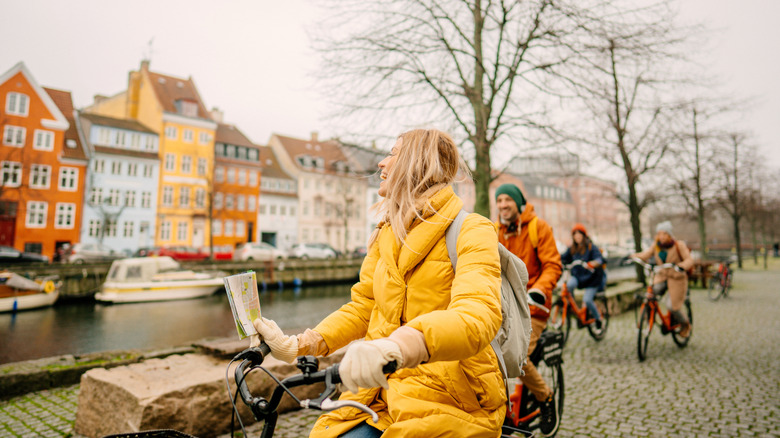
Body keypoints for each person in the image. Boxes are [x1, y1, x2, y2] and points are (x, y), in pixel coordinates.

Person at [252, 129, 505, 437]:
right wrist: (297, 345)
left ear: (418, 163)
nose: (382, 164)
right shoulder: (387, 233)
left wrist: (399, 345)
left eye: (392, 154)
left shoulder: (472, 229)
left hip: (451, 396)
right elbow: (364, 308)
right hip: (379, 391)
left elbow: (478, 316)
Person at [494, 183, 562, 437]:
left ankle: (546, 397)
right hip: (505, 306)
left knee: (519, 357)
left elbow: (553, 265)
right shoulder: (495, 230)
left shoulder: (538, 227)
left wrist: (540, 290)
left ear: (518, 203)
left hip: (534, 307)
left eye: (507, 200)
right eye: (499, 200)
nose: (502, 205)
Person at [632, 221, 694, 337]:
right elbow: (646, 255)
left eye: (664, 234)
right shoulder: (656, 245)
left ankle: (685, 323)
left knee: (672, 306)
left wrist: (681, 266)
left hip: (676, 277)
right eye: (659, 234)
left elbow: (689, 260)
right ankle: (648, 315)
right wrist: (633, 256)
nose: (662, 237)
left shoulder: (678, 245)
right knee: (650, 294)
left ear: (670, 234)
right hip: (662, 276)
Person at [560, 223, 607, 329]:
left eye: (579, 234)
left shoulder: (591, 247)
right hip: (579, 277)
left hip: (592, 279)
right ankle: (575, 309)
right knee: (569, 286)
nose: (577, 237)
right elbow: (563, 257)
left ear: (584, 235)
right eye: (575, 234)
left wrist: (592, 264)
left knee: (587, 299)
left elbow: (600, 259)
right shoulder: (572, 249)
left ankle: (598, 318)